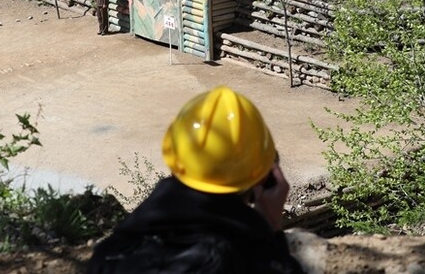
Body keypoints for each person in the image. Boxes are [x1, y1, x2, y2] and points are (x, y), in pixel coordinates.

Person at [87, 85, 304, 274]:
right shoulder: (244, 259)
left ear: (176, 163)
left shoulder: (112, 252)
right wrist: (270, 228)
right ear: (263, 177)